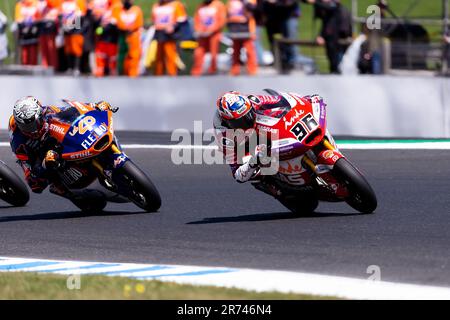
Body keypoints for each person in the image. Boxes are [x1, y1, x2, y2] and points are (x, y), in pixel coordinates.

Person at [213, 91, 320, 211]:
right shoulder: (224, 136)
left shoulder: (252, 100)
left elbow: (282, 99)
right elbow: (237, 174)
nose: (248, 120)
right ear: (228, 122)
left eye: (249, 114)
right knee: (256, 175)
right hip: (248, 148)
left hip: (264, 130)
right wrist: (252, 162)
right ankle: (277, 191)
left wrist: (305, 99)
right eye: (240, 121)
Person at [9, 96, 118, 211]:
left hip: (64, 146)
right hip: (48, 161)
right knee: (47, 184)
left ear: (41, 114)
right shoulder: (18, 142)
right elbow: (33, 181)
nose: (33, 130)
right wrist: (45, 164)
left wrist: (96, 106)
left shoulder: (49, 112)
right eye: (26, 127)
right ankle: (74, 195)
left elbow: (76, 111)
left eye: (33, 124)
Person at [308, 0, 352, 74]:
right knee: (332, 60)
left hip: (339, 38)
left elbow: (329, 9)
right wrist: (321, 35)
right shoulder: (328, 10)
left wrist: (315, 2)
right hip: (332, 38)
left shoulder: (335, 6)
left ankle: (337, 74)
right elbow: (325, 24)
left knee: (338, 63)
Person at [151, 0, 188, 76]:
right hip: (159, 32)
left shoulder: (176, 4)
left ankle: (172, 74)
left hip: (170, 34)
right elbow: (154, 19)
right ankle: (158, 74)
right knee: (159, 56)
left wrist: (173, 27)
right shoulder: (157, 5)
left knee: (170, 54)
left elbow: (182, 19)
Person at [191, 0, 227, 76]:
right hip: (202, 34)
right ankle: (197, 71)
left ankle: (213, 69)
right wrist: (198, 30)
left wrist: (212, 30)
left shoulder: (218, 5)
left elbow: (222, 19)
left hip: (214, 33)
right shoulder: (201, 6)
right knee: (199, 52)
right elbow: (196, 19)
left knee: (213, 53)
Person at [226, 0, 258, 75]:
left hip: (246, 30)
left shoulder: (249, 1)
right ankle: (235, 70)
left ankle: (252, 70)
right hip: (234, 30)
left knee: (249, 51)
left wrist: (245, 3)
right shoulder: (231, 2)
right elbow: (228, 14)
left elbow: (253, 10)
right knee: (235, 52)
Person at [91, 0, 120, 76]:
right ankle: (100, 73)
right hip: (102, 40)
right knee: (100, 60)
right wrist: (100, 30)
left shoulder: (116, 10)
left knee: (112, 61)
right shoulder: (102, 12)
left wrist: (107, 26)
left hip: (112, 40)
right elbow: (98, 27)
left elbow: (117, 25)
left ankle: (111, 73)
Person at [115, 0, 143, 77]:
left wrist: (130, 29)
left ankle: (133, 74)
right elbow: (117, 22)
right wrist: (124, 28)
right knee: (123, 55)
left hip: (133, 36)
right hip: (123, 35)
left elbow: (138, 24)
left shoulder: (136, 10)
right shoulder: (119, 9)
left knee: (134, 55)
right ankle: (123, 72)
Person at [61, 0, 87, 75]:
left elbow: (81, 16)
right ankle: (70, 67)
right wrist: (65, 26)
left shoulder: (78, 2)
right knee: (68, 50)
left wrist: (75, 27)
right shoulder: (64, 3)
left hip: (76, 30)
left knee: (77, 50)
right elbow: (63, 16)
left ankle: (77, 68)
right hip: (67, 29)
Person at [37, 0, 61, 69]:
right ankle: (45, 65)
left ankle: (53, 66)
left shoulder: (54, 5)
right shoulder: (40, 4)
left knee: (51, 48)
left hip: (51, 27)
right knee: (44, 48)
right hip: (42, 27)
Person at [15, 0, 40, 65]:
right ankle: (24, 65)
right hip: (23, 30)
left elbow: (38, 17)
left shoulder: (36, 3)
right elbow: (18, 18)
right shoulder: (20, 5)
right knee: (24, 52)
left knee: (33, 50)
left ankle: (33, 65)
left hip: (33, 30)